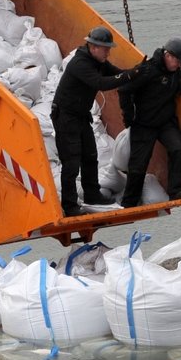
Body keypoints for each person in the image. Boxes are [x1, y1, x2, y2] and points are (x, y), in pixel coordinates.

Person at [51, 26, 137, 217]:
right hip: (65, 117)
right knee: (71, 162)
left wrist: (136, 73)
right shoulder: (80, 63)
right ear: (93, 46)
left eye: (109, 48)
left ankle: (92, 195)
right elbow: (101, 83)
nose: (108, 52)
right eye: (105, 48)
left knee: (90, 156)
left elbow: (116, 74)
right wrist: (128, 76)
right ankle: (70, 206)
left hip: (81, 116)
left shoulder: (98, 61)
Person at [117, 38, 181, 208]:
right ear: (167, 55)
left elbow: (178, 76)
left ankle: (175, 191)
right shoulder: (147, 71)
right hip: (144, 123)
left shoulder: (174, 70)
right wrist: (129, 116)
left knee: (177, 149)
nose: (179, 66)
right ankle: (129, 203)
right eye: (177, 61)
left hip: (165, 122)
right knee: (139, 165)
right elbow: (124, 89)